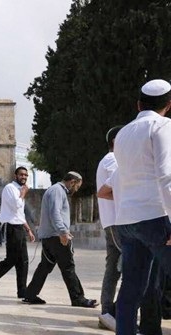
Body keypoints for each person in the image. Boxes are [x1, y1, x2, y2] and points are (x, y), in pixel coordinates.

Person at [108, 79, 171, 335]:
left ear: (138, 104)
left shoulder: (123, 133)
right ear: (168, 105)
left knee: (131, 291)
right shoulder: (162, 126)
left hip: (127, 220)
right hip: (155, 216)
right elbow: (166, 176)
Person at [22, 172, 98, 308]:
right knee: (68, 267)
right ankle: (78, 298)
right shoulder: (57, 191)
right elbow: (55, 213)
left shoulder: (54, 190)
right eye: (77, 186)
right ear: (72, 182)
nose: (76, 190)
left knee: (44, 267)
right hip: (56, 237)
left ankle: (30, 294)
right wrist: (63, 232)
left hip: (49, 237)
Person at [0, 167, 35, 299]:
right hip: (12, 228)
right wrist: (23, 193)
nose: (24, 177)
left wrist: (28, 229)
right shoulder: (10, 188)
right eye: (21, 174)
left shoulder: (19, 190)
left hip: (19, 228)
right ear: (15, 175)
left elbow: (19, 214)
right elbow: (17, 205)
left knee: (24, 261)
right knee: (11, 260)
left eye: (26, 175)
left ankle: (22, 290)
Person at [95, 125, 123, 330]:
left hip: (112, 221)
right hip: (117, 221)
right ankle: (113, 311)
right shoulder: (113, 160)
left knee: (113, 268)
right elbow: (118, 188)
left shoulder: (107, 160)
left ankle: (108, 311)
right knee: (130, 268)